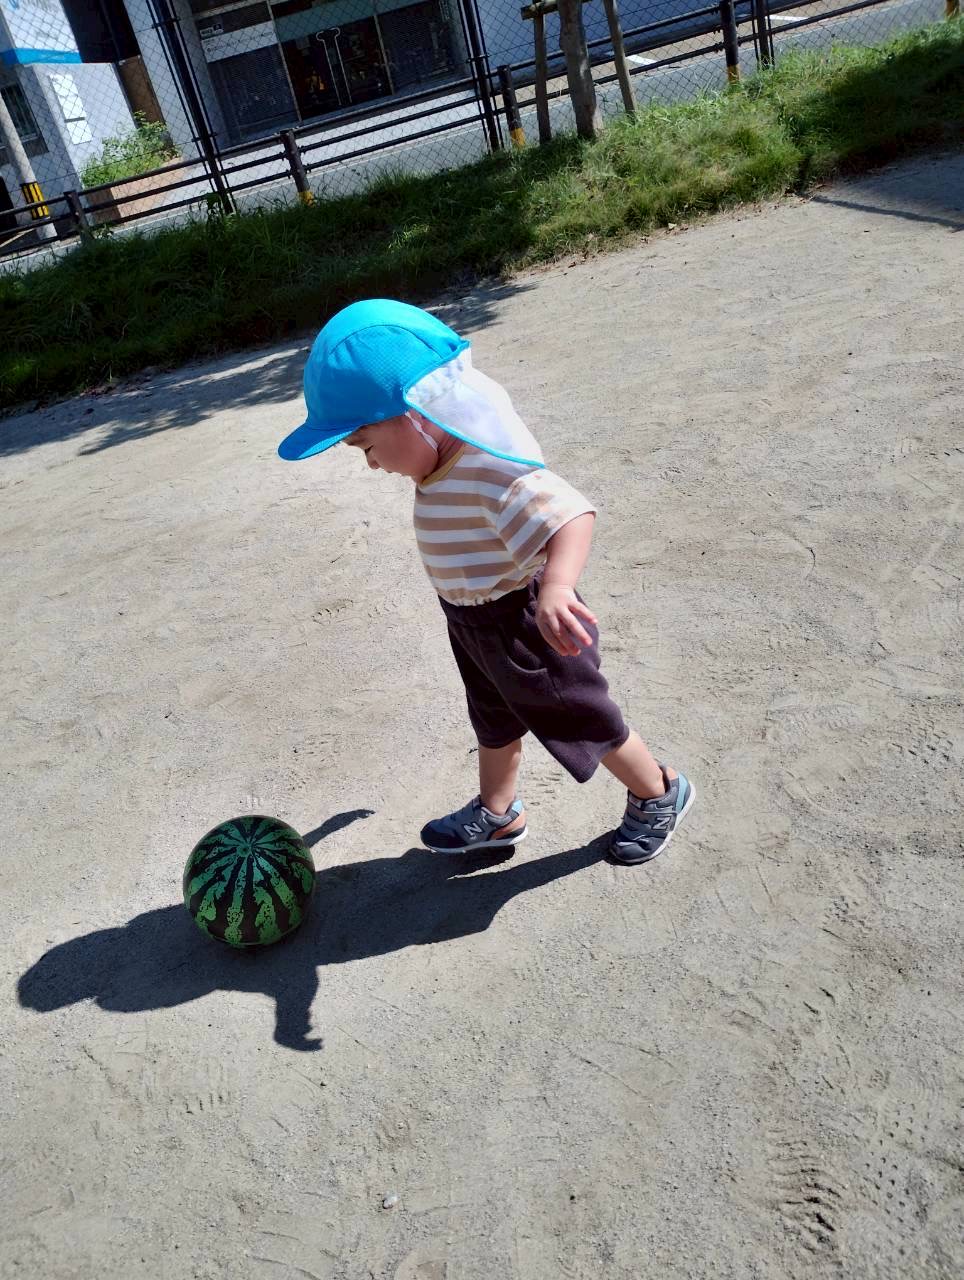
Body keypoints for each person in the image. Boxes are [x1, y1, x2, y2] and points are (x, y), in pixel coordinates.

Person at [278, 299, 695, 863]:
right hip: (471, 622)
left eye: (366, 446)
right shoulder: (438, 466)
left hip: (527, 625)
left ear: (416, 414)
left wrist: (557, 587)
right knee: (493, 720)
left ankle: (658, 791)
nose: (371, 464)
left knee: (584, 719)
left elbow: (572, 514)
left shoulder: (490, 470)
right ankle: (498, 815)